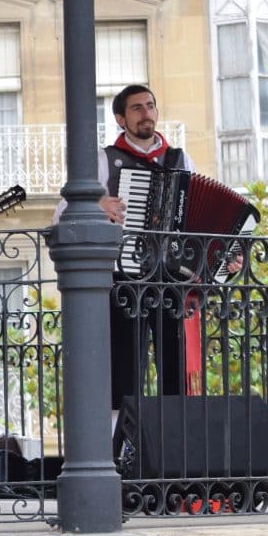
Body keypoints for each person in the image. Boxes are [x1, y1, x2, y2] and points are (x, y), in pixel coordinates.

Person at [54, 84, 197, 424]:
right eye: (137, 108)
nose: (146, 113)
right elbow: (61, 213)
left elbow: (193, 212)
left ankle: (173, 448)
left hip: (169, 277)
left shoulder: (179, 159)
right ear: (121, 118)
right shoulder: (106, 159)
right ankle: (119, 447)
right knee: (125, 368)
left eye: (150, 105)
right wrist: (95, 204)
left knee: (173, 367)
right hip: (125, 277)